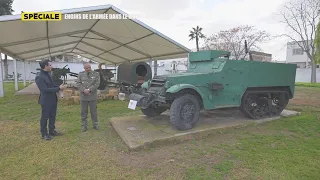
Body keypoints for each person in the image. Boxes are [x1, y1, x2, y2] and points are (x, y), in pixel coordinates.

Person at [35, 60, 66, 140]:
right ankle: (44, 134)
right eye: (50, 65)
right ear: (46, 66)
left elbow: (52, 85)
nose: (51, 66)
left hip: (53, 99)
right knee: (45, 117)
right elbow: (44, 89)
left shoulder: (49, 74)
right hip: (46, 100)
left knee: (53, 116)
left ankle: (52, 131)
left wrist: (59, 86)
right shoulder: (39, 76)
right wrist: (58, 88)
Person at [76, 63, 100, 132]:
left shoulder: (96, 74)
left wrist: (89, 90)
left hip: (92, 96)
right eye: (87, 68)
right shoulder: (81, 74)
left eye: (89, 67)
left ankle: (95, 124)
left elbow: (97, 83)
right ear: (84, 68)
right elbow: (78, 83)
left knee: (94, 111)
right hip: (83, 96)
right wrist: (84, 90)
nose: (88, 69)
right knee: (83, 112)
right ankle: (84, 125)